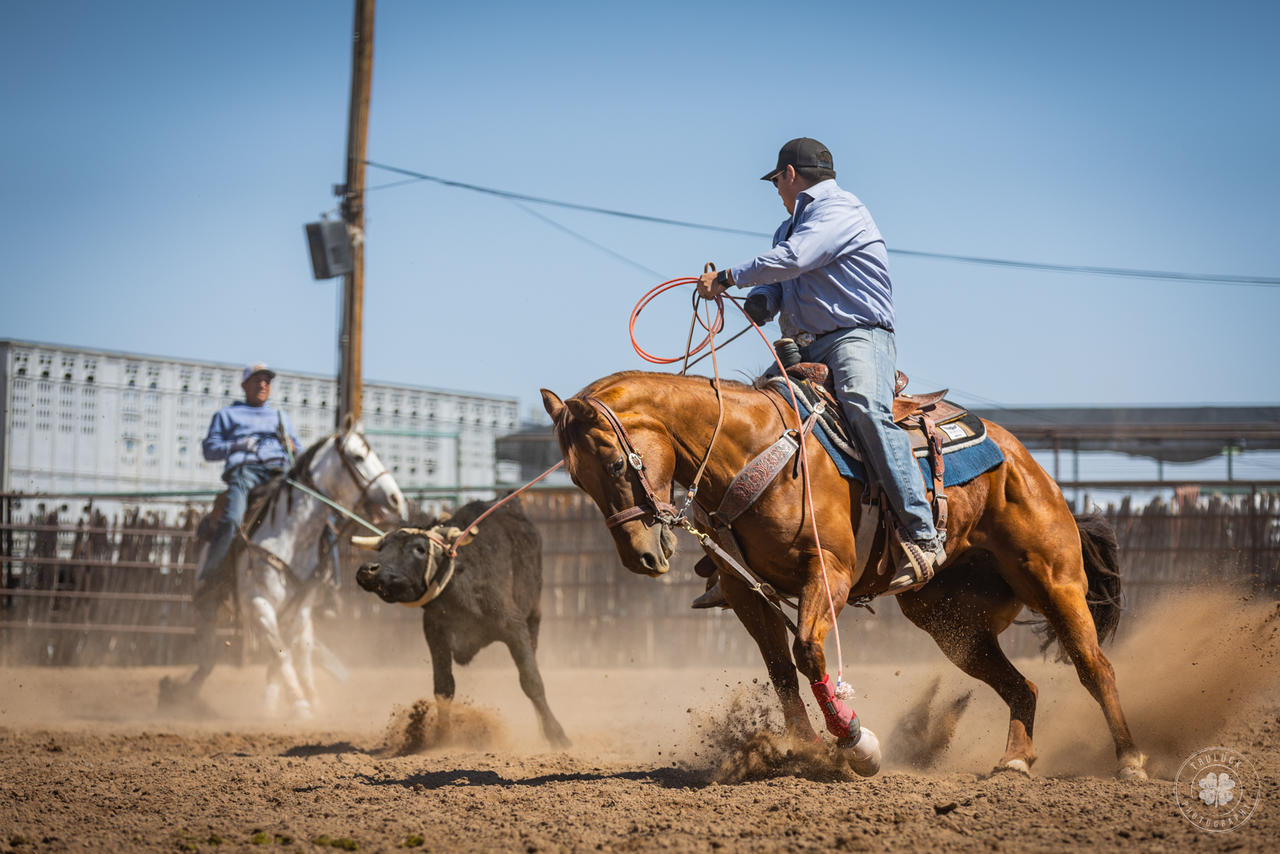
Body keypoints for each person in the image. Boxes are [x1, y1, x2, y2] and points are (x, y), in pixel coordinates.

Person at [696, 137, 945, 594]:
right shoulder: (787, 229)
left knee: (865, 408)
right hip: (804, 346)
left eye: (776, 181)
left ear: (789, 175)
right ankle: (735, 555)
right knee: (753, 419)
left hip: (857, 337)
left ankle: (923, 535)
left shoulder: (841, 210)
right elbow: (785, 279)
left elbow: (796, 260)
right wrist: (760, 301)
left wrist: (728, 277)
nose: (776, 190)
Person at [197, 363, 302, 589]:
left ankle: (328, 589)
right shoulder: (227, 415)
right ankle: (210, 581)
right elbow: (209, 450)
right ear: (245, 385)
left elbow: (300, 453)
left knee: (319, 518)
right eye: (257, 380)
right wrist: (238, 445)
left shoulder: (281, 417)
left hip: (281, 476)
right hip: (246, 475)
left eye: (267, 380)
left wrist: (292, 447)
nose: (263, 384)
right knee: (232, 518)